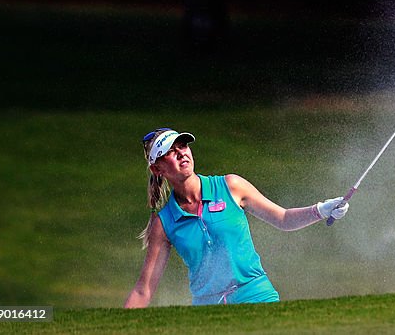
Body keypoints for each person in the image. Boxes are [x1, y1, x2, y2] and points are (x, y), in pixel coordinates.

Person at [124, 127, 349, 307]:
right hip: (207, 312)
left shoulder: (230, 186)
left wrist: (321, 210)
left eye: (183, 145)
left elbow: (283, 218)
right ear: (157, 169)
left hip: (257, 297)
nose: (182, 152)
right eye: (171, 151)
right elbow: (144, 289)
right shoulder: (164, 223)